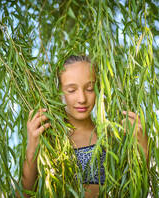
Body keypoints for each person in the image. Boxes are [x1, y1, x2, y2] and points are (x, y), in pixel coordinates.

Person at [21, 55, 148, 198]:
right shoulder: (49, 138)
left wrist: (142, 148)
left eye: (89, 88)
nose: (82, 99)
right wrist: (32, 146)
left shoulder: (112, 137)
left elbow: (137, 191)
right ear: (58, 92)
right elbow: (23, 195)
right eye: (71, 90)